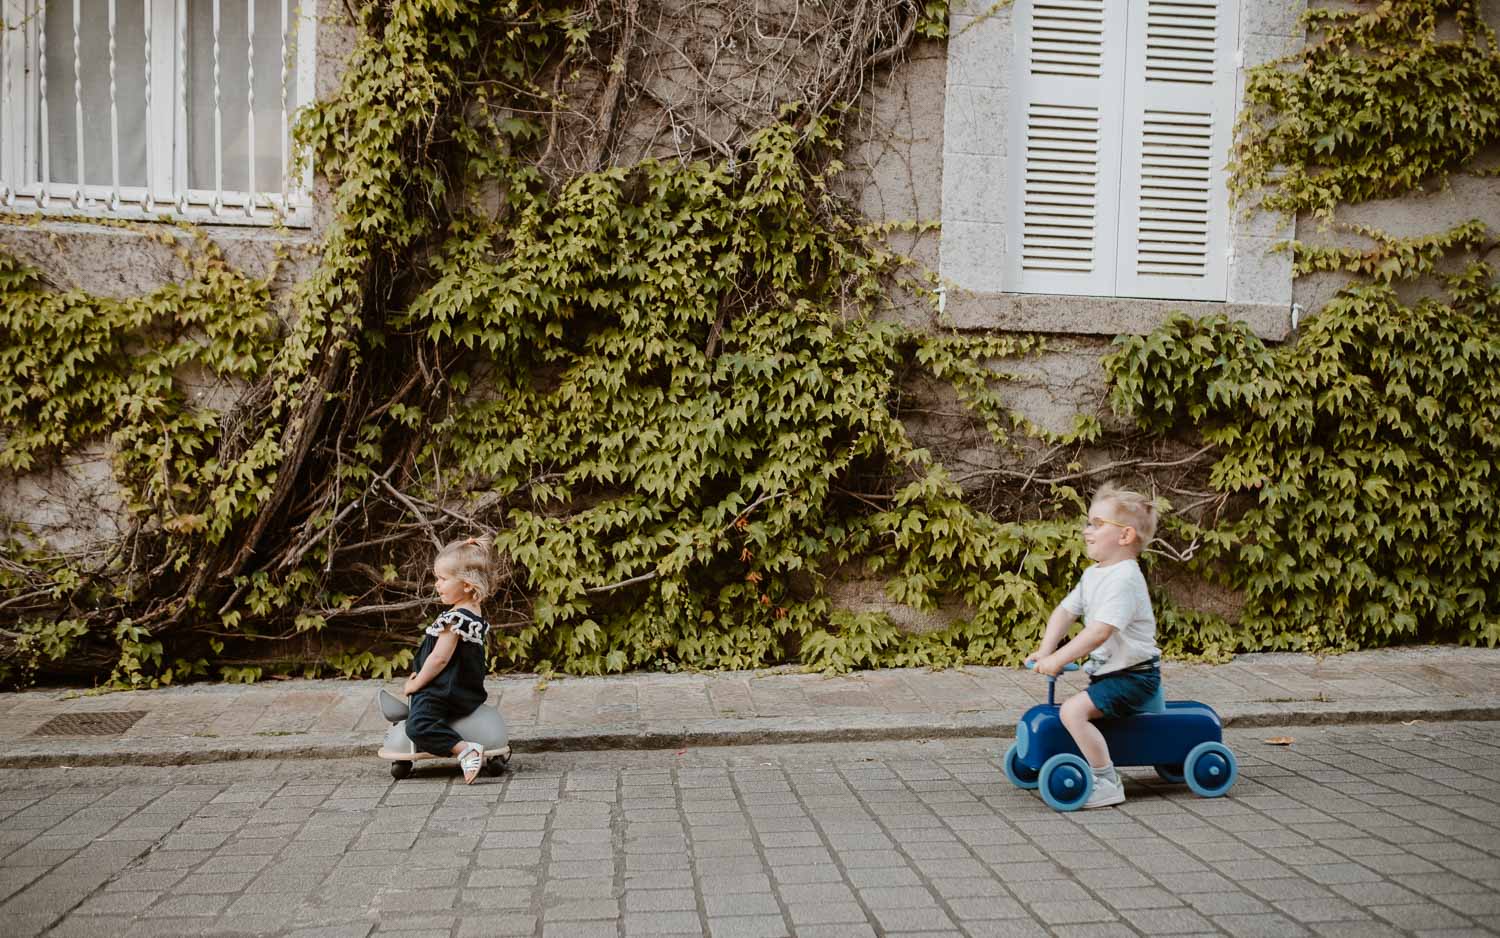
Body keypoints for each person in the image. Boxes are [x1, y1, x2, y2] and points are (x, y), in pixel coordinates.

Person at [1026, 483, 1161, 809]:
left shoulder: (1125, 578)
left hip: (1133, 677)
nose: (1087, 530)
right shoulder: (1094, 575)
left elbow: (1099, 632)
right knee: (1076, 710)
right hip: (1111, 674)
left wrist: (1059, 658)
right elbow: (1065, 611)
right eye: (1088, 522)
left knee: (1073, 711)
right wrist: (1046, 650)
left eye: (1097, 524)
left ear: (1125, 536)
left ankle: (1105, 781)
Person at [402, 536, 496, 783]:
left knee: (416, 727)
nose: (437, 585)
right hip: (465, 690)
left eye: (443, 579)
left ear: (466, 585)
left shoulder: (454, 619)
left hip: (442, 691)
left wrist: (417, 683)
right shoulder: (473, 613)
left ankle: (464, 750)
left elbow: (439, 660)